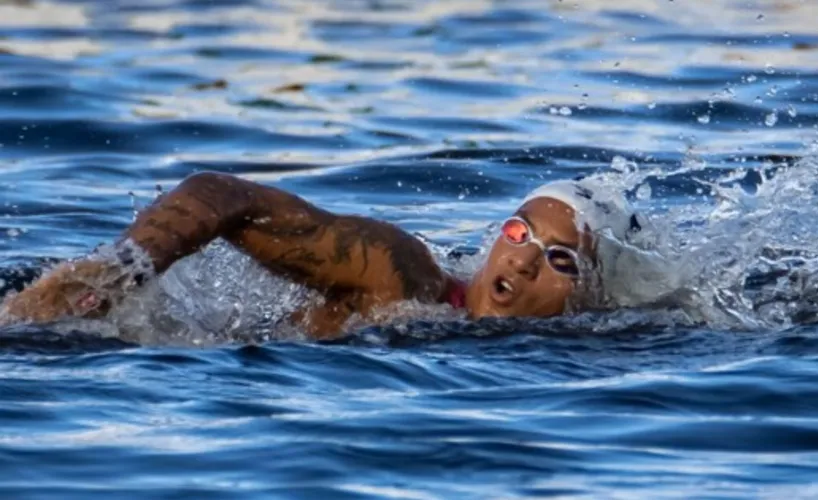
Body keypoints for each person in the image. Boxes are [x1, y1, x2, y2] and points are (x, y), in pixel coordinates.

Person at [0, 172, 649, 339]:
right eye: (518, 234)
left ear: (589, 298)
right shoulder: (400, 276)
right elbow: (222, 194)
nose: (524, 262)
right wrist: (120, 272)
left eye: (561, 260)